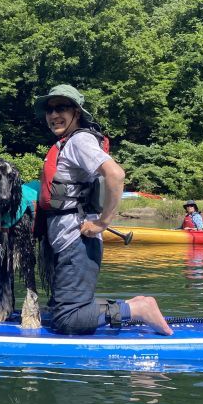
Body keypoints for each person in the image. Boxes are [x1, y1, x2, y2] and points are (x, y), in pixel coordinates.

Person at [33, 84, 172, 336]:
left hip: (77, 242)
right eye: (49, 110)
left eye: (61, 108)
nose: (53, 115)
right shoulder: (66, 144)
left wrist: (103, 222)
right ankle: (126, 307)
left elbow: (115, 175)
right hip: (65, 241)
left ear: (77, 111)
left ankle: (138, 308)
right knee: (59, 310)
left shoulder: (79, 141)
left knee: (67, 321)